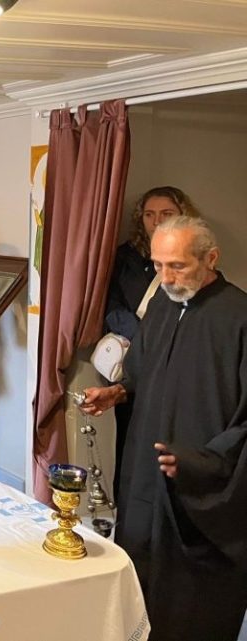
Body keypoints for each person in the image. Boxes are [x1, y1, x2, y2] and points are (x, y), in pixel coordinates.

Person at [79, 216, 247, 641]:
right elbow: (144, 372)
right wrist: (116, 392)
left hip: (202, 487)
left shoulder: (239, 317)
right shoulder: (160, 305)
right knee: (138, 566)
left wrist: (203, 461)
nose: (165, 277)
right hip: (144, 469)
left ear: (211, 258)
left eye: (177, 266)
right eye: (157, 265)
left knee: (190, 600)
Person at [103, 186, 200, 498]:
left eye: (166, 214)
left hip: (175, 368)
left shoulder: (195, 261)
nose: (156, 220)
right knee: (130, 442)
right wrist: (143, 337)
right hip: (134, 361)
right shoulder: (125, 257)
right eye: (150, 214)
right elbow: (111, 304)